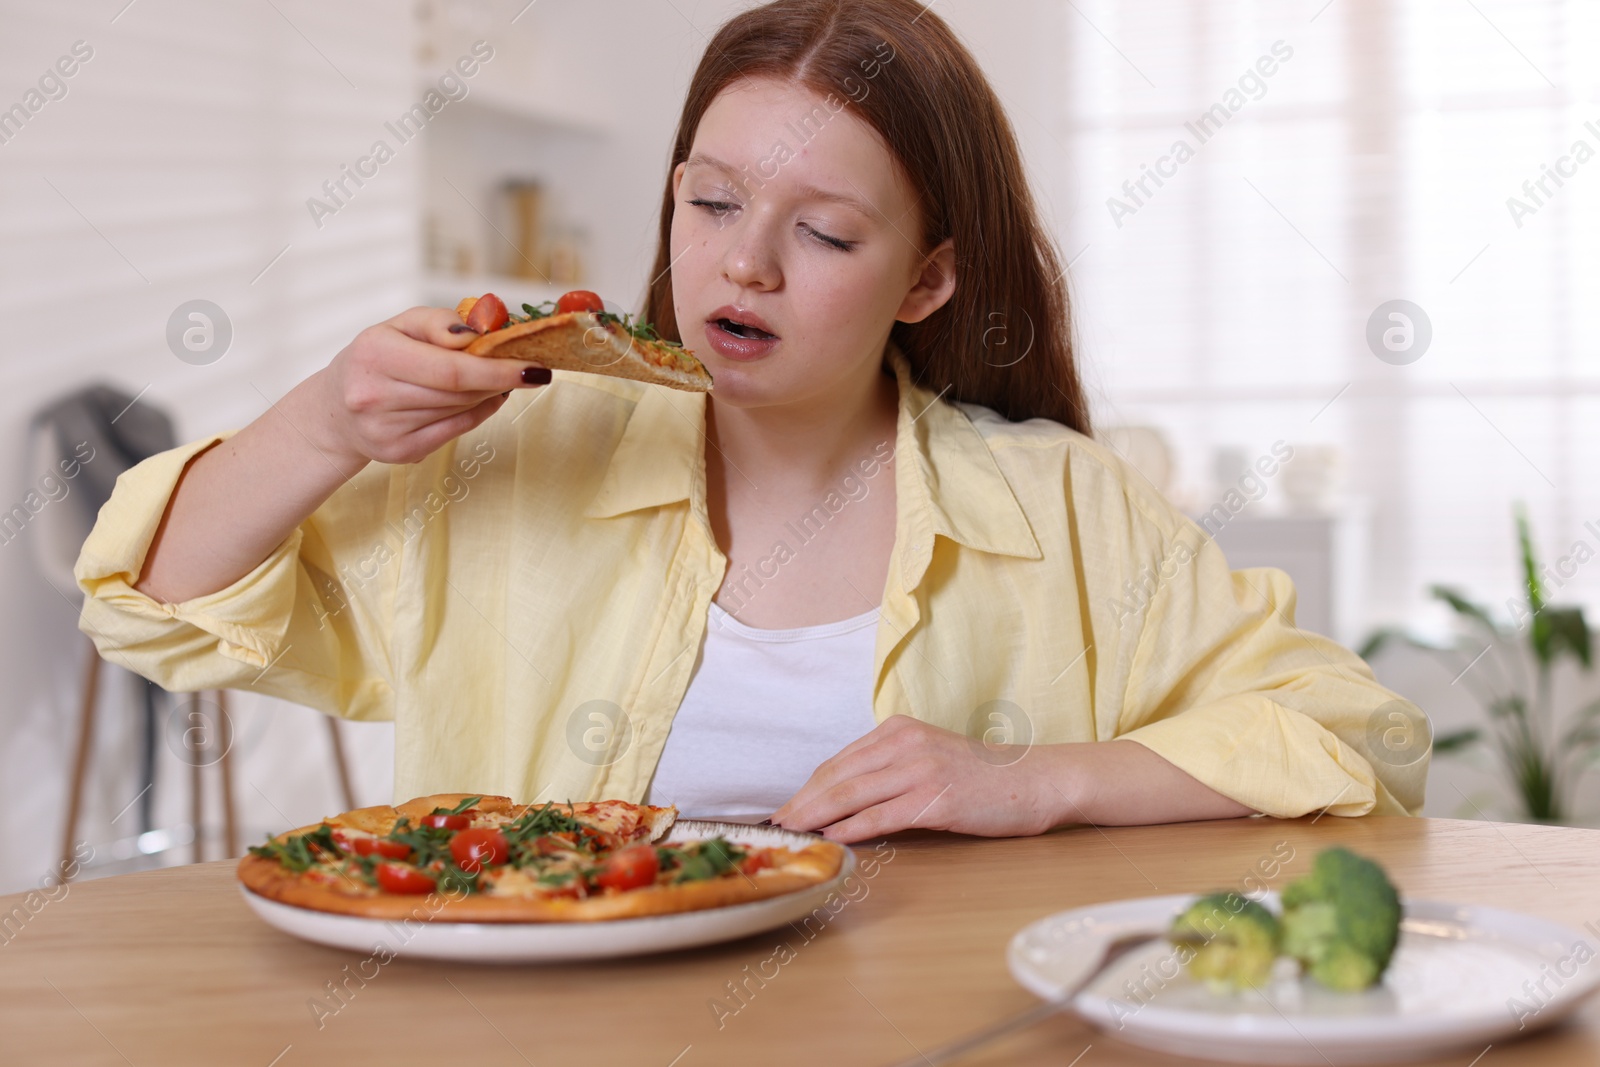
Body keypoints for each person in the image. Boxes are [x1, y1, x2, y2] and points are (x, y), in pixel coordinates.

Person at [75, 0, 1426, 844]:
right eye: (711, 204)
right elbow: (148, 603)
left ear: (928, 278)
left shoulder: (1068, 505)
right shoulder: (516, 458)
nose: (745, 266)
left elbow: (1358, 739)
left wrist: (1038, 779)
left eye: (825, 232)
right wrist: (329, 421)